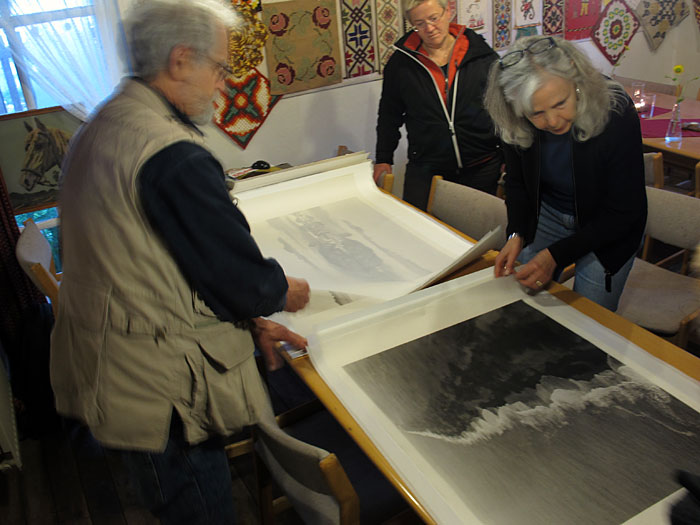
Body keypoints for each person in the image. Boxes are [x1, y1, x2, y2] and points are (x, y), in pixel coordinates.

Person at [50, 1, 310, 523]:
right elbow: (240, 280)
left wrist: (250, 321)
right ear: (180, 59)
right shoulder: (171, 153)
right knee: (199, 507)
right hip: (158, 385)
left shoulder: (106, 121)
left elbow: (157, 265)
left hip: (116, 366)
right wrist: (283, 293)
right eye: (218, 67)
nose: (222, 83)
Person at [484, 36, 647, 311]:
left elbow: (624, 211)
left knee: (588, 319)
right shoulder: (513, 117)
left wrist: (555, 256)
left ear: (576, 79)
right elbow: (517, 183)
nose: (552, 121)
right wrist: (517, 234)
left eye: (561, 103)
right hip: (549, 212)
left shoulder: (615, 111)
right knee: (521, 301)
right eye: (536, 113)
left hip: (608, 223)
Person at [373, 0, 503, 210]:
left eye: (434, 18)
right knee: (418, 229)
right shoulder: (401, 65)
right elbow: (389, 115)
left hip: (483, 164)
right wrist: (383, 158)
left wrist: (511, 156)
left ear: (448, 11)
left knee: (476, 236)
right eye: (420, 23)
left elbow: (504, 110)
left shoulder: (480, 55)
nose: (430, 28)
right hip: (426, 167)